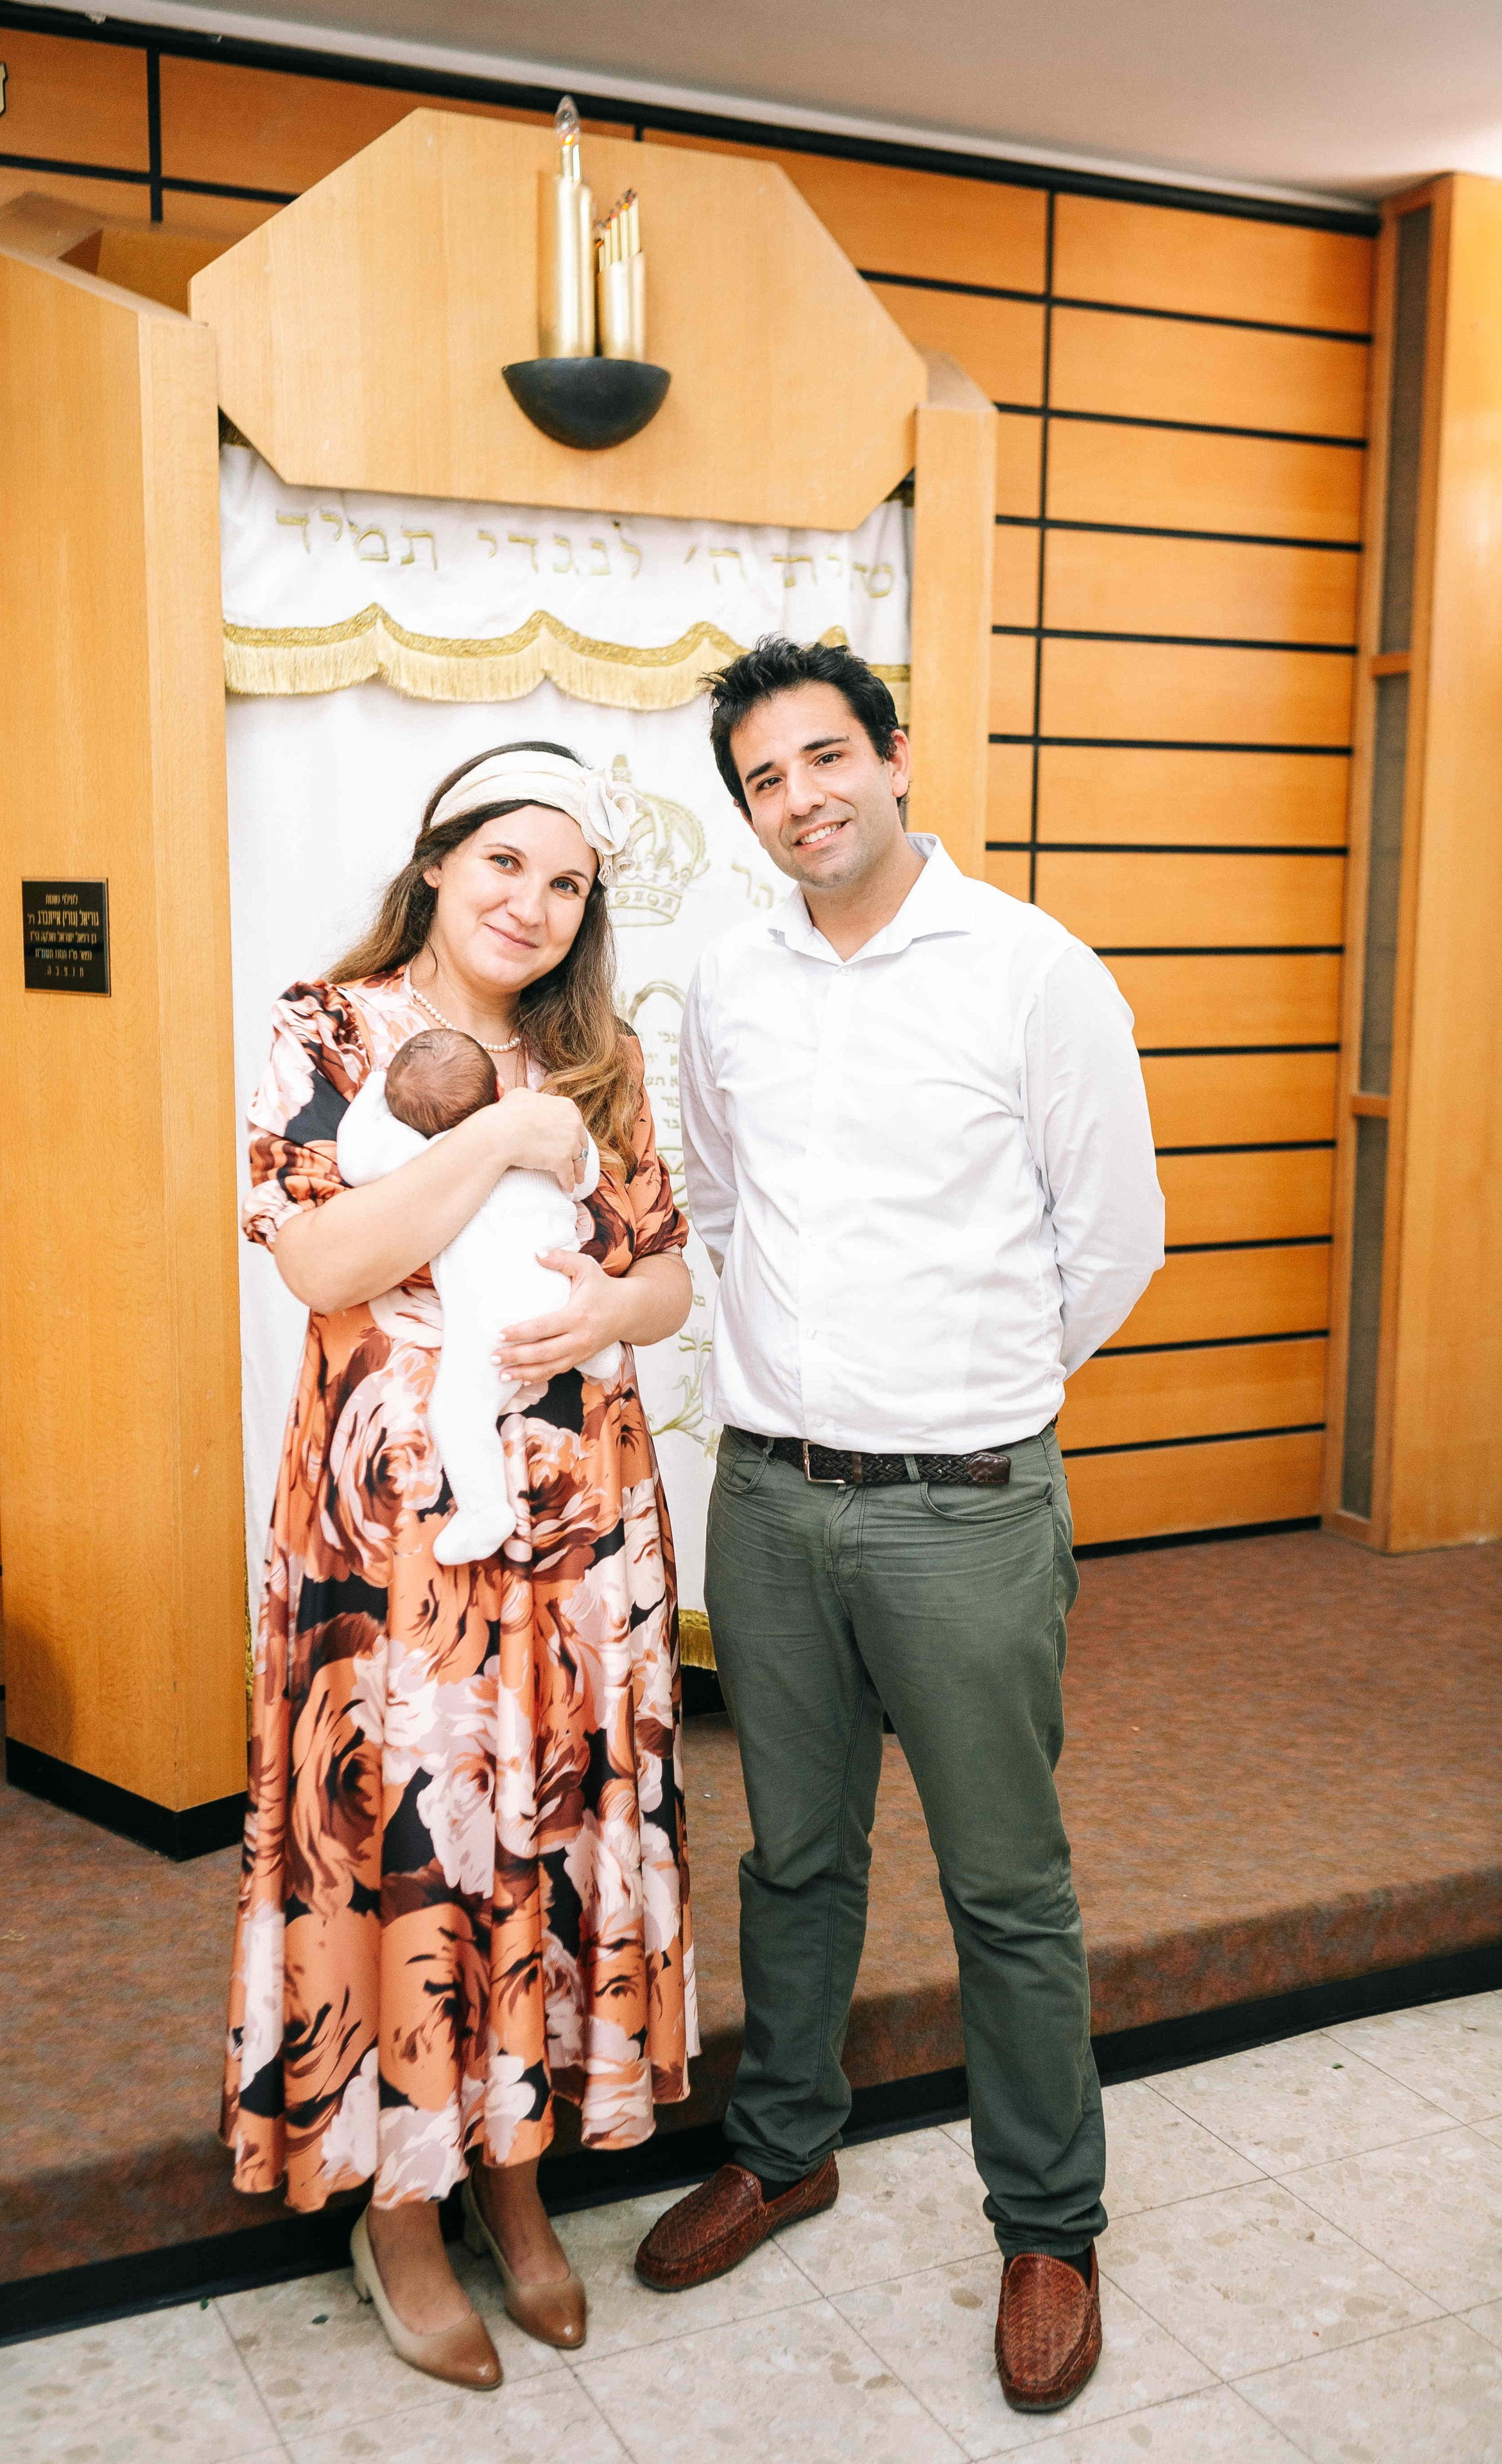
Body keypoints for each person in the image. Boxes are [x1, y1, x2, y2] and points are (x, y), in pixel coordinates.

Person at [642, 638, 1164, 2417]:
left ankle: (1049, 2225)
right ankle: (784, 2147)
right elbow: (716, 1196)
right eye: (766, 781)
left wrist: (970, 1395)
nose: (803, 799)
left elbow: (1113, 1243)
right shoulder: (728, 979)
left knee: (1005, 1886)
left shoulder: (1032, 972)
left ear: (896, 755)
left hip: (963, 1509)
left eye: (826, 759)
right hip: (771, 1499)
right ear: (748, 812)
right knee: (794, 1857)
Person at [221, 741, 698, 2394]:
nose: (532, 903)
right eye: (504, 863)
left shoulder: (601, 1053)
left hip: (578, 1531)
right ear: (434, 864)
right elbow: (323, 1253)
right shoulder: (321, 1023)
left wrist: (609, 1309)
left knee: (540, 1828)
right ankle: (399, 2204)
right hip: (390, 1543)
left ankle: (513, 2166)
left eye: (567, 882)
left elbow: (667, 1281)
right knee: (412, 1839)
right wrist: (499, 1136)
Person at [335, 1026, 622, 1566]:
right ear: (497, 1093)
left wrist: (375, 1088)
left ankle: (486, 1510)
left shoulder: (421, 1154)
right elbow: (584, 1180)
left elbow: (355, 1160)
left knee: (457, 1410)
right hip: (561, 1287)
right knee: (579, 1318)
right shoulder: (537, 1132)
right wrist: (562, 1126)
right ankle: (598, 1354)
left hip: (496, 1327)